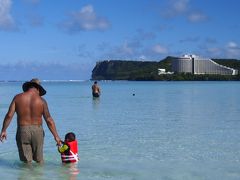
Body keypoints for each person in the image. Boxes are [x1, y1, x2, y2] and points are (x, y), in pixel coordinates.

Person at [0, 78, 62, 164]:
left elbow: (9, 115)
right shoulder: (42, 101)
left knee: (26, 162)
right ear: (38, 88)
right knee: (39, 160)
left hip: (23, 131)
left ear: (28, 87)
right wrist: (56, 136)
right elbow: (49, 120)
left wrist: (3, 130)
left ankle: (27, 176)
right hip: (38, 131)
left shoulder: (17, 98)